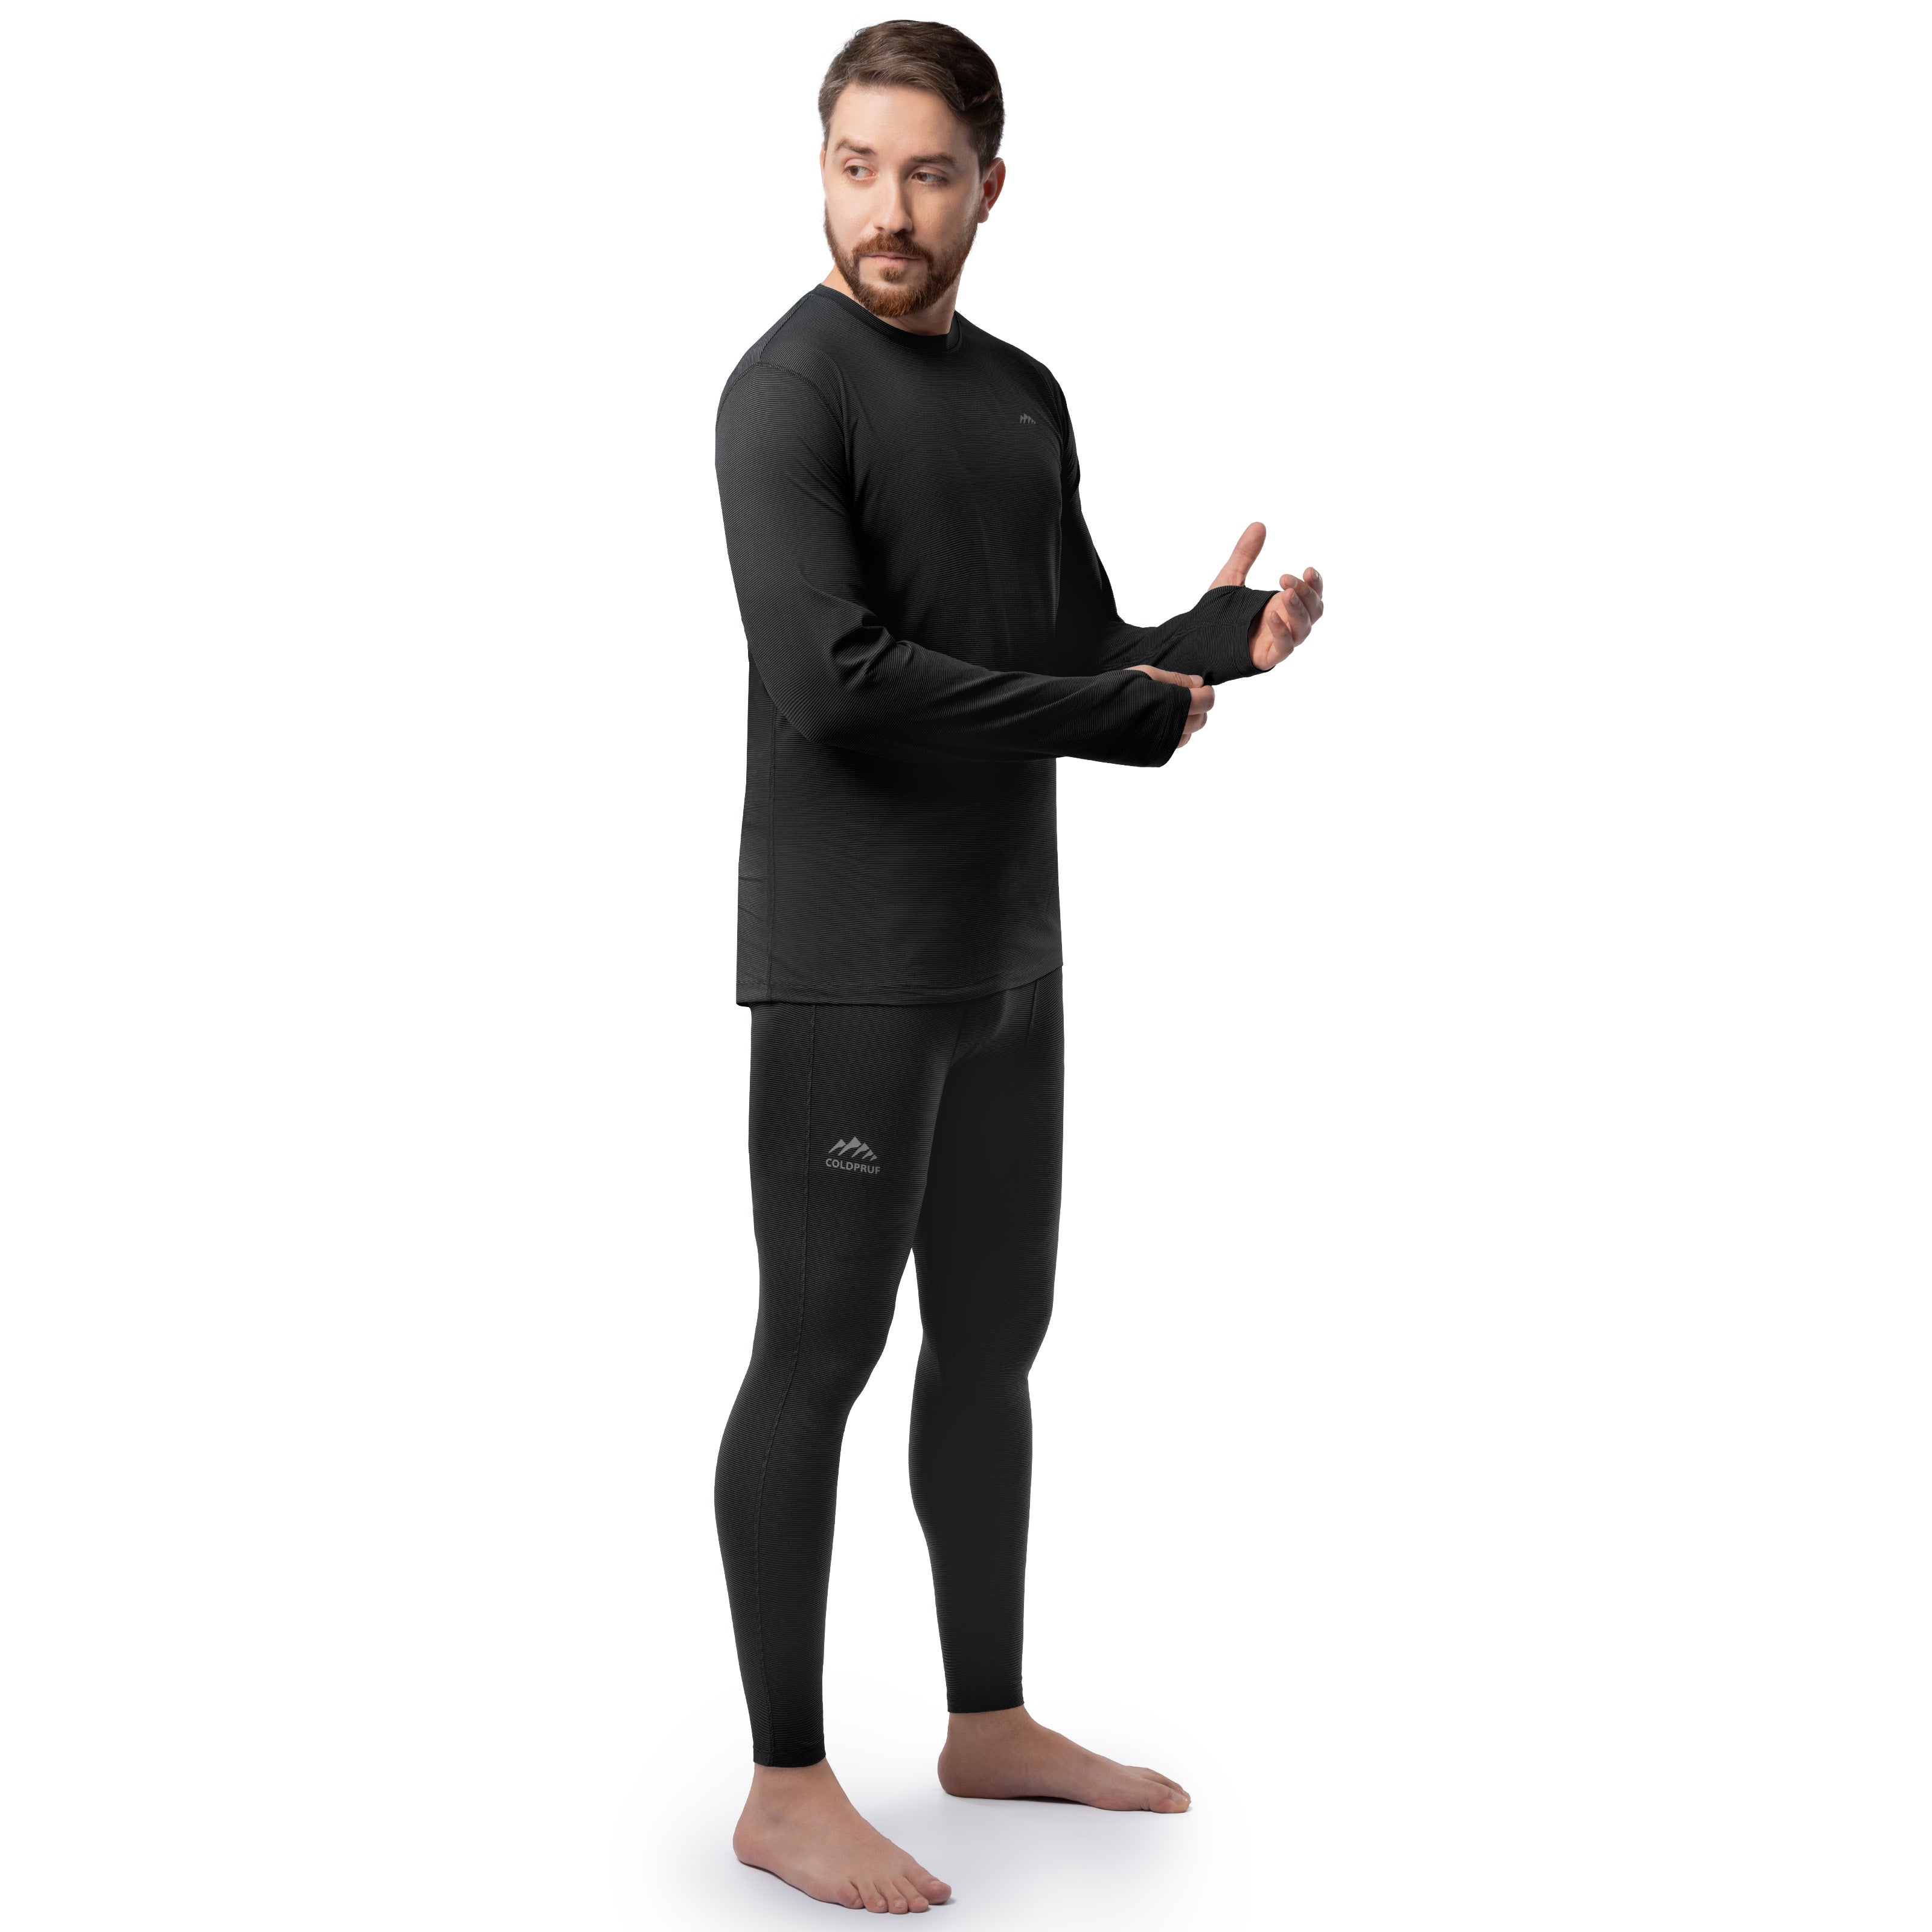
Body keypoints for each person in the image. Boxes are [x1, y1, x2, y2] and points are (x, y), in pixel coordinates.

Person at [711, 20, 1324, 1914]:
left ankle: (987, 1723)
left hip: (1008, 955)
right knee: (819, 1354)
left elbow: (1063, 644)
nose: (886, 211)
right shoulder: (783, 395)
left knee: (992, 1344)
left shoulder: (1022, 393)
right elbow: (836, 679)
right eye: (855, 169)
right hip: (851, 963)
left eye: (925, 173)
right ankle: (785, 1785)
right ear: (822, 171)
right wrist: (1109, 713)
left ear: (992, 183)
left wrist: (1205, 644)